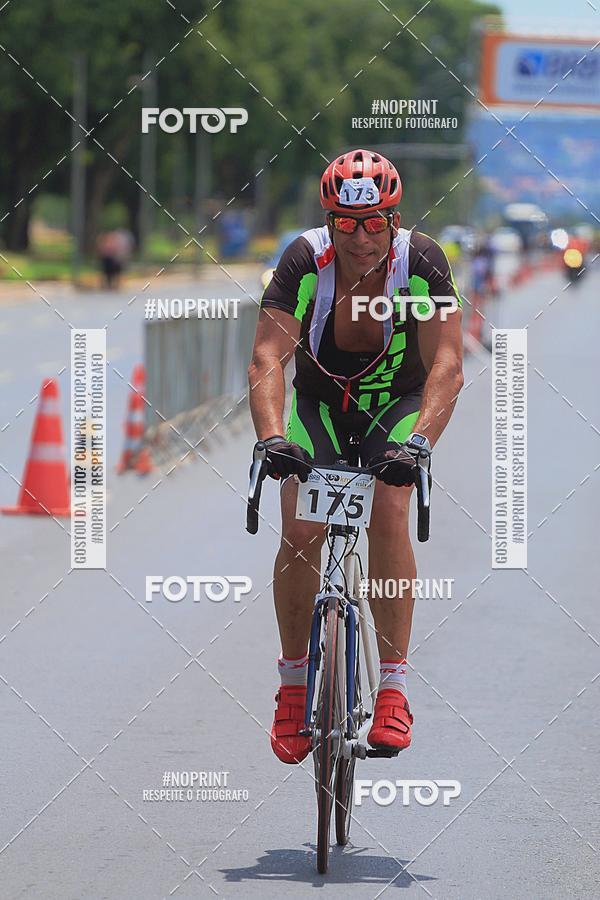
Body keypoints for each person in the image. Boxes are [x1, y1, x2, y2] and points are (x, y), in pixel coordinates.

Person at [247, 149, 464, 764]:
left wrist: (417, 445)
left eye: (375, 224)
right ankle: (293, 688)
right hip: (319, 409)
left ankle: (392, 688)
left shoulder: (421, 262)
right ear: (330, 219)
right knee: (301, 528)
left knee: (389, 511)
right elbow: (268, 358)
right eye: (347, 223)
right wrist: (271, 439)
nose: (362, 238)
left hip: (395, 405)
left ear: (394, 220)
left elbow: (447, 366)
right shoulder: (302, 260)